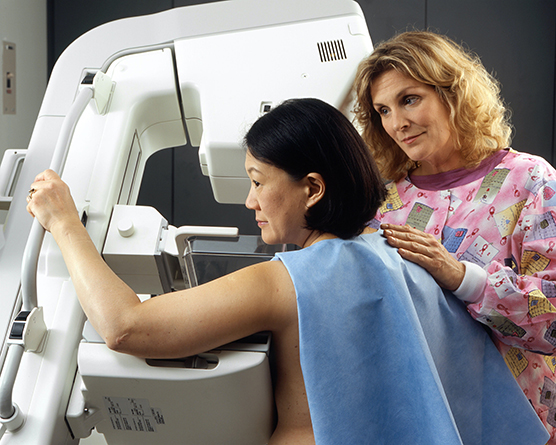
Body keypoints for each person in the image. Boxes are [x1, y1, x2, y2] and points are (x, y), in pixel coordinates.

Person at [26, 98, 547, 444]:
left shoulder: (286, 281)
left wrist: (64, 222)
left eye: (257, 180)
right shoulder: (409, 259)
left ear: (313, 189)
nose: (249, 200)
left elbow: (124, 327)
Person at [354, 30, 556, 441]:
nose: (397, 123)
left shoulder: (531, 180)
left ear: (454, 93)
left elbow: (552, 317)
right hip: (418, 422)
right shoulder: (384, 200)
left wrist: (462, 277)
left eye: (409, 99)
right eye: (383, 111)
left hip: (520, 422)